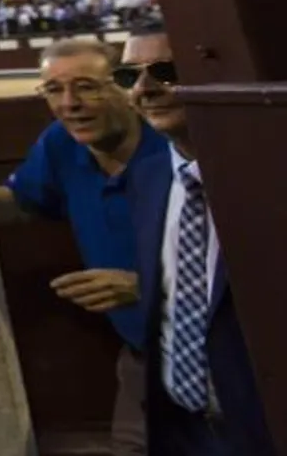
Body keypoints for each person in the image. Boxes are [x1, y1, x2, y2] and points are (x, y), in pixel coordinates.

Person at [0, 37, 169, 456]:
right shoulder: (61, 144)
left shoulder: (176, 147)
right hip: (142, 356)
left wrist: (148, 288)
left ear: (124, 85)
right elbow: (22, 201)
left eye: (87, 85)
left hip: (218, 348)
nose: (69, 103)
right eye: (53, 90)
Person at [120, 28, 276, 455]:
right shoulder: (148, 176)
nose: (144, 89)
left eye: (164, 72)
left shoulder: (269, 175)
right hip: (184, 428)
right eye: (127, 76)